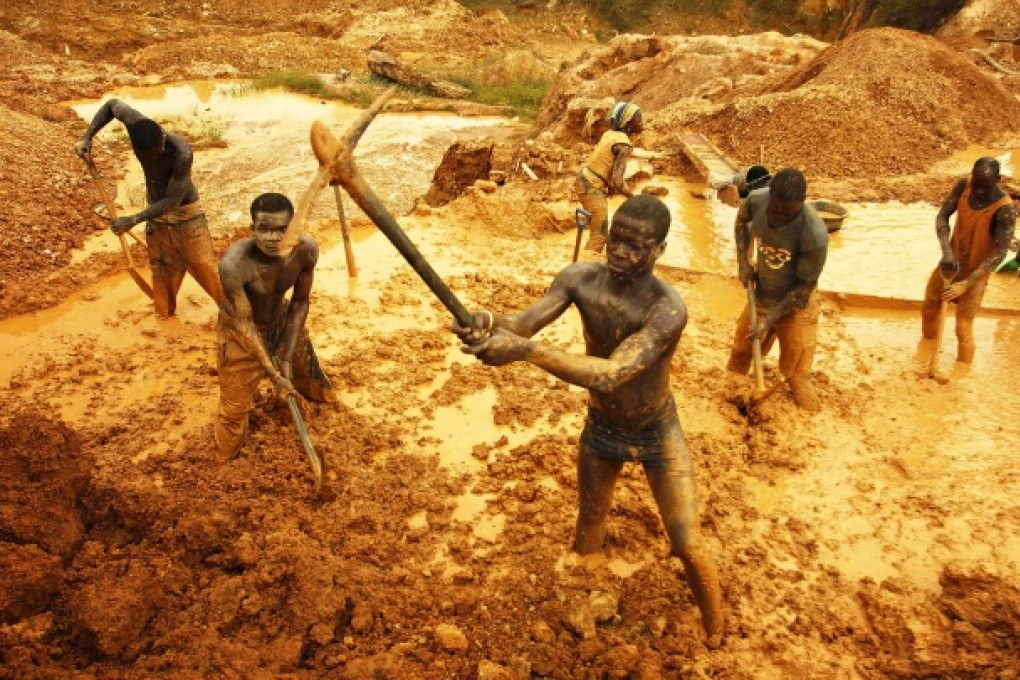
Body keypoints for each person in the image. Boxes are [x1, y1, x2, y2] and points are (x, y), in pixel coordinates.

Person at [455, 194, 724, 646]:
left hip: (657, 432)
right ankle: (585, 596)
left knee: (687, 542)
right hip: (602, 429)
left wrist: (526, 352)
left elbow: (611, 373)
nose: (620, 252)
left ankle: (717, 628)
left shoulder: (667, 309)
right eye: (616, 239)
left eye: (636, 246)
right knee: (590, 522)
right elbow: (524, 324)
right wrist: (486, 320)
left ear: (660, 250)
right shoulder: (579, 279)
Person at [214, 192, 336, 459]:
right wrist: (273, 372)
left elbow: (300, 302)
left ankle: (318, 397)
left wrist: (287, 357)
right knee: (232, 415)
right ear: (252, 229)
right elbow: (244, 324)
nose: (273, 238)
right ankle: (225, 460)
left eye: (282, 230)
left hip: (281, 319)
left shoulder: (306, 251)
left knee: (312, 377)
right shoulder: (234, 265)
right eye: (264, 229)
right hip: (241, 334)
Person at [74, 99, 223, 317]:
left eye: (159, 152)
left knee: (204, 265)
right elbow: (112, 104)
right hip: (156, 214)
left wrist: (133, 220)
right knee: (162, 269)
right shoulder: (134, 123)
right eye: (149, 156)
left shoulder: (181, 153)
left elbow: (172, 201)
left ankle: (233, 314)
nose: (155, 158)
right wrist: (87, 137)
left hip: (186, 214)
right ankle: (164, 315)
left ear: (162, 136)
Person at [725, 167, 828, 411]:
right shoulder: (756, 200)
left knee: (797, 377)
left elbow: (803, 288)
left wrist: (769, 320)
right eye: (774, 210)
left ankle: (807, 415)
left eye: (786, 213)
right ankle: (731, 408)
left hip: (796, 307)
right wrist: (743, 262)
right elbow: (741, 224)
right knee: (740, 354)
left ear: (801, 202)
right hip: (762, 294)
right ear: (770, 194)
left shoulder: (814, 234)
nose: (778, 218)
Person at [920, 157, 1016, 363]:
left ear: (998, 179)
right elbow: (942, 216)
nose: (979, 191)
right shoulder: (963, 185)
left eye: (985, 187)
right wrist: (947, 252)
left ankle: (962, 371)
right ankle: (925, 351)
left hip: (977, 272)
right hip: (950, 263)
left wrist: (966, 283)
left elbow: (1000, 253)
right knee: (929, 308)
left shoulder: (1005, 210)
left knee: (962, 327)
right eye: (977, 185)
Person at [576, 101, 644, 254]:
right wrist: (632, 197)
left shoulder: (610, 134)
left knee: (598, 228)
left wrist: (610, 184)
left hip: (585, 179)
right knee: (600, 235)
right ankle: (586, 263)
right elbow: (618, 181)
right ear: (628, 123)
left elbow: (605, 163)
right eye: (638, 119)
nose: (642, 122)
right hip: (591, 187)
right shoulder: (624, 145)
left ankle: (584, 258)